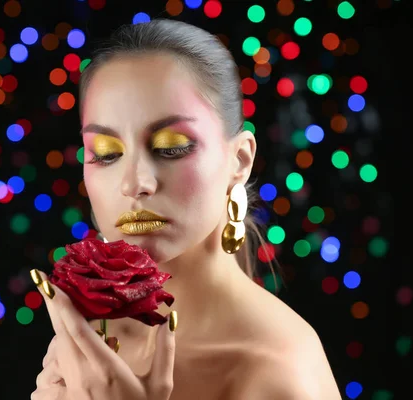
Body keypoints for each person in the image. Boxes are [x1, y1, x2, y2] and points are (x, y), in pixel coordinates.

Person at [30, 18, 342, 399]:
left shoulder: (279, 367)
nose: (133, 184)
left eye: (171, 148)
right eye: (106, 154)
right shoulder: (95, 334)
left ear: (239, 160)